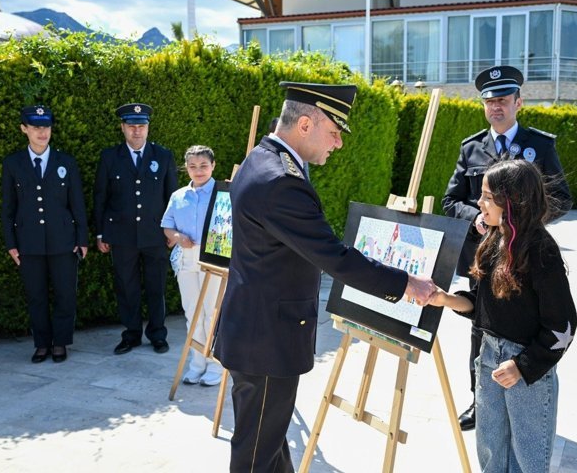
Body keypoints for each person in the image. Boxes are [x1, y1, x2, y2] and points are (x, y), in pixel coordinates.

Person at [213, 81, 436, 472]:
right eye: (334, 133)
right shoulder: (280, 181)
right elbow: (335, 258)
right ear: (304, 124)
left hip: (256, 330)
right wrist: (405, 284)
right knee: (256, 458)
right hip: (266, 340)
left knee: (268, 441)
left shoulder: (260, 159)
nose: (338, 144)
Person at [441, 65, 572, 431]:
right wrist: (477, 218)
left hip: (524, 257)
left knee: (522, 325)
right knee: (480, 330)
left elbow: (561, 198)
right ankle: (479, 400)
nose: (496, 107)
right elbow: (451, 200)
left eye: (503, 100)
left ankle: (524, 394)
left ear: (519, 102)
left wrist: (522, 223)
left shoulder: (540, 145)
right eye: (489, 101)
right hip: (481, 257)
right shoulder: (471, 148)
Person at [429, 159, 577, 472]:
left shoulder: (541, 250)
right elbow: (481, 304)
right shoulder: (492, 241)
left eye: (487, 196)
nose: (479, 203)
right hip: (488, 358)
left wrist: (523, 366)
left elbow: (563, 325)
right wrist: (444, 299)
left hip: (526, 370)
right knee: (491, 451)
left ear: (511, 201)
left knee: (528, 458)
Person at [1, 105, 88, 363]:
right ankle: (41, 343)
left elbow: (78, 204)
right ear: (24, 129)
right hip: (28, 243)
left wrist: (82, 238)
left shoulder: (66, 162)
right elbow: (8, 207)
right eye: (36, 127)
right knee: (36, 296)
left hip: (64, 241)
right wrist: (11, 243)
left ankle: (60, 342)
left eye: (46, 127)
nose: (42, 133)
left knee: (65, 294)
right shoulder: (13, 163)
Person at [94, 103, 178, 355]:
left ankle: (157, 334)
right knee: (126, 287)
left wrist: (172, 230)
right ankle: (130, 335)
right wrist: (100, 233)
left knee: (156, 286)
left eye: (141, 126)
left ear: (148, 127)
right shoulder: (110, 157)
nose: (137, 131)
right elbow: (101, 197)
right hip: (121, 236)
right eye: (131, 126)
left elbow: (172, 197)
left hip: (155, 235)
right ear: (123, 128)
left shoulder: (162, 156)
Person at [161, 145, 223, 386]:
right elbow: (167, 225)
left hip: (213, 259)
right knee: (193, 314)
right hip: (187, 259)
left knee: (212, 314)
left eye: (204, 166)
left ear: (213, 166)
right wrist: (176, 237)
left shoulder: (224, 194)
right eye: (193, 166)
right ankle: (197, 364)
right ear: (186, 168)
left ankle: (215, 365)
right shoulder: (178, 196)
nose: (198, 171)